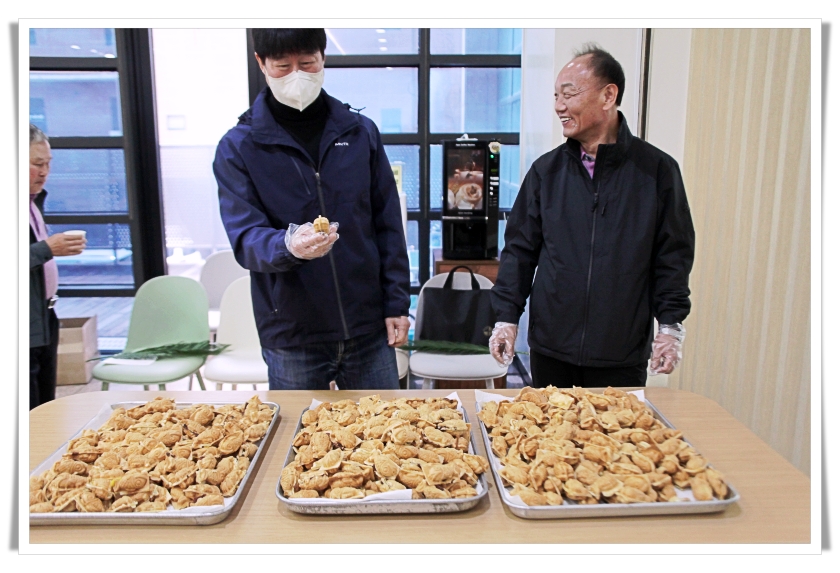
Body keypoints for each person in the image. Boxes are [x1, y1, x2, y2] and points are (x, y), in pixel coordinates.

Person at [213, 29, 410, 390]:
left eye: (306, 63)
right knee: (297, 425)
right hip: (292, 330)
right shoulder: (240, 147)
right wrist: (287, 245)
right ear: (261, 63)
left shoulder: (360, 133)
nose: (297, 76)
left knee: (384, 423)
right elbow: (245, 236)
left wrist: (397, 303)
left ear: (323, 58)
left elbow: (388, 226)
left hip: (367, 325)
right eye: (282, 66)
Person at [488, 44, 695, 388]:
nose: (559, 106)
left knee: (617, 425)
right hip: (551, 349)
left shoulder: (657, 171)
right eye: (556, 96)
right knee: (548, 423)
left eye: (569, 94)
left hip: (621, 352)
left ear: (608, 95)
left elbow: (672, 256)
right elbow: (519, 252)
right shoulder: (546, 172)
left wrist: (670, 326)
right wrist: (506, 318)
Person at [29, 124, 86, 409]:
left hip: (45, 313)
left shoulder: (32, 202)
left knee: (46, 405)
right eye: (37, 164)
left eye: (48, 164)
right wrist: (47, 249)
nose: (44, 172)